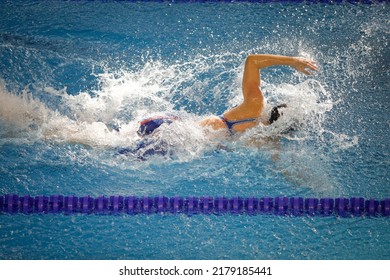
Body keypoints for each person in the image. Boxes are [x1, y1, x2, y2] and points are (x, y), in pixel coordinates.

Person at [123, 54, 318, 159]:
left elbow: (253, 61)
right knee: (110, 147)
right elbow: (252, 60)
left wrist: (293, 62)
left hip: (176, 128)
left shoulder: (257, 109)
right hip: (178, 136)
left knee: (114, 139)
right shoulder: (259, 120)